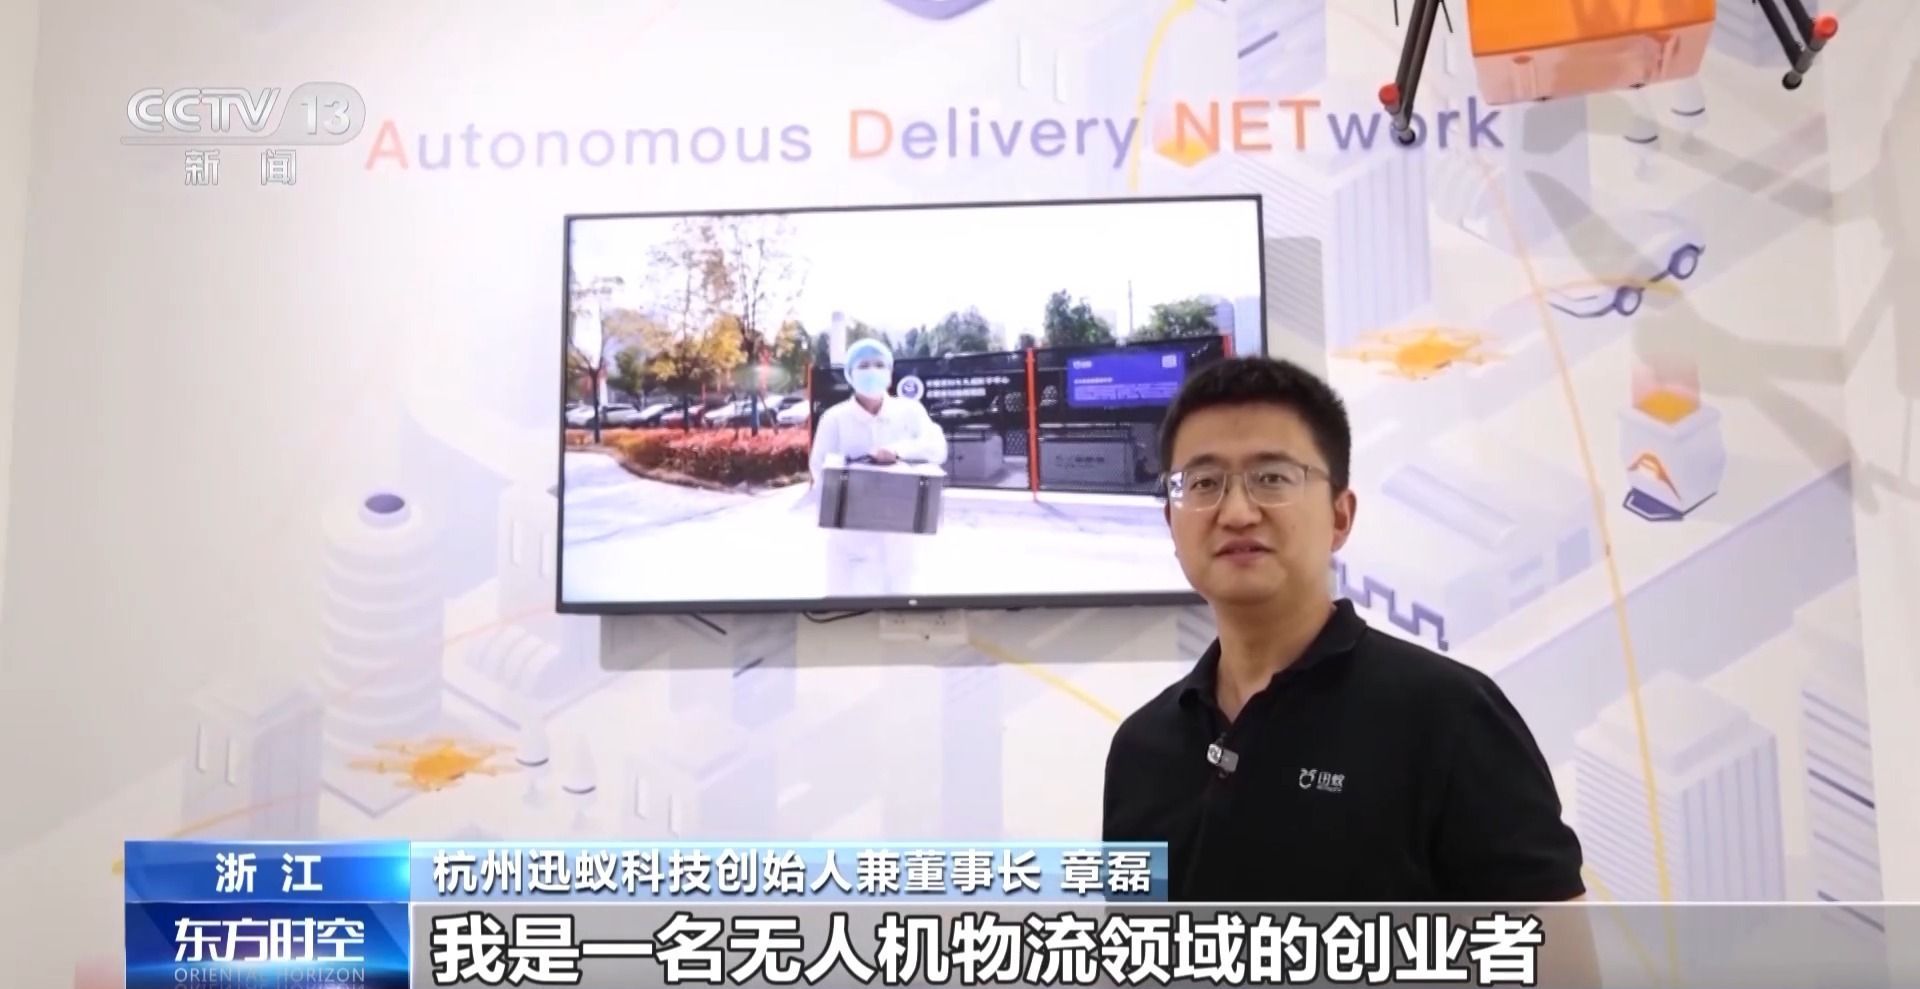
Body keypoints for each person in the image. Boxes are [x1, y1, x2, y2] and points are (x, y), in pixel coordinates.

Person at [1103, 357, 1599, 982]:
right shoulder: (1141, 749)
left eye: (1272, 477)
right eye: (1203, 483)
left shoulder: (1449, 717)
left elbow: (1560, 971)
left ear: (1340, 516)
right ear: (1172, 524)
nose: (1236, 511)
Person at [810, 337, 948, 598]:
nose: (872, 371)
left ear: (889, 372)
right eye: (863, 366)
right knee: (849, 608)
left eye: (879, 364)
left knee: (902, 604)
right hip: (851, 538)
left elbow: (937, 449)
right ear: (850, 374)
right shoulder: (835, 418)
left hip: (902, 534)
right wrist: (855, 487)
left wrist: (898, 451)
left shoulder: (910, 412)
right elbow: (820, 470)